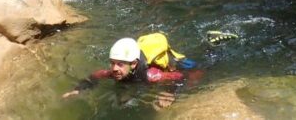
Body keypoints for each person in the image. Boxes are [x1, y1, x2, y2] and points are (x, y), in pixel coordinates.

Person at [61, 35, 199, 108]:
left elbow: (181, 76)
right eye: (112, 63)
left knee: (196, 67)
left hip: (175, 64)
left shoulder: (152, 76)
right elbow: (94, 76)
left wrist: (169, 92)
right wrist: (79, 89)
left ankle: (211, 47)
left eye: (120, 64)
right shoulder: (113, 72)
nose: (114, 68)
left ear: (133, 64)